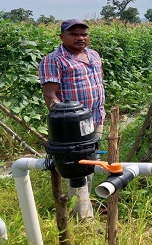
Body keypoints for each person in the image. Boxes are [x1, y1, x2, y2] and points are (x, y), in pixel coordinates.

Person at [38, 19, 106, 220]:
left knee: (91, 164)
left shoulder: (93, 55)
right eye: (73, 34)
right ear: (62, 37)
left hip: (95, 118)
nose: (80, 38)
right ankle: (84, 218)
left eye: (83, 34)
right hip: (73, 128)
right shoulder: (54, 60)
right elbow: (50, 95)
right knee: (76, 169)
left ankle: (84, 206)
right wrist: (65, 124)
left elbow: (98, 82)